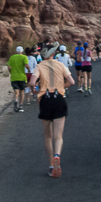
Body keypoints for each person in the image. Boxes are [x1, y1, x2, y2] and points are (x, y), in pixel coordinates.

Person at [32, 45, 75, 177]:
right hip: (59, 99)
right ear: (54, 54)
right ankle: (57, 155)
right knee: (58, 136)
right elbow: (71, 81)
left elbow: (32, 81)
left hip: (45, 100)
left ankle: (51, 165)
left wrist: (35, 89)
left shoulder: (39, 66)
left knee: (47, 136)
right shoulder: (61, 65)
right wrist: (63, 86)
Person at [7, 45, 31, 113]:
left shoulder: (12, 57)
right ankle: (20, 105)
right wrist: (29, 71)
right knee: (22, 91)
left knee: (16, 91)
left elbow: (9, 67)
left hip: (14, 77)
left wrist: (11, 72)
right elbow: (26, 65)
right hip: (22, 76)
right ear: (22, 51)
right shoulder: (24, 57)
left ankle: (15, 100)